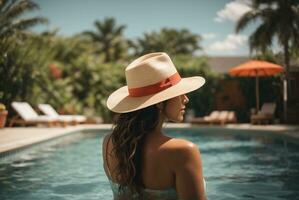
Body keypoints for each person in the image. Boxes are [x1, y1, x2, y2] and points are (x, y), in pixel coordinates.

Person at [103, 52, 207, 200]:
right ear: (159, 102)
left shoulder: (109, 143)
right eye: (179, 92)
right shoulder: (183, 152)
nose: (186, 99)